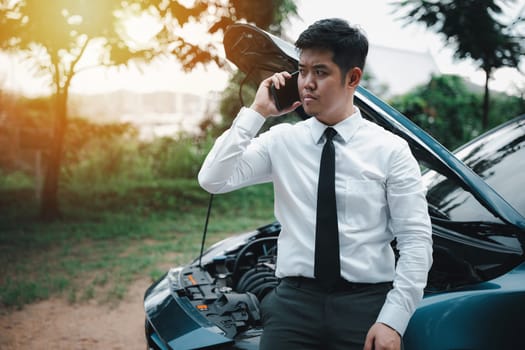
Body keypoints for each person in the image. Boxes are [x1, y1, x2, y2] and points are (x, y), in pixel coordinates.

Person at [198, 18, 433, 350]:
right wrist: (256, 113)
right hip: (294, 305)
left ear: (352, 78)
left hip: (365, 307)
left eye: (320, 72)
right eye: (302, 70)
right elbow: (212, 179)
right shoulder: (282, 141)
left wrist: (393, 319)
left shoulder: (390, 150)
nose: (306, 83)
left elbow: (416, 241)